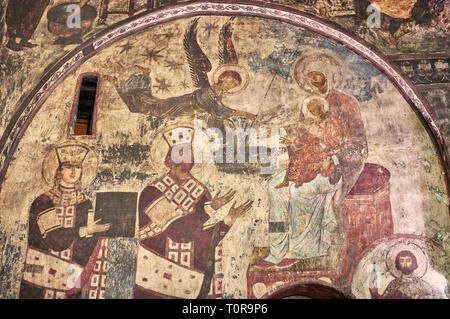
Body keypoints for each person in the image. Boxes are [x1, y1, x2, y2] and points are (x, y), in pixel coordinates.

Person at [134, 127, 253, 298]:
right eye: (181, 151)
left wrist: (225, 217)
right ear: (169, 157)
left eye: (190, 152)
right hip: (155, 270)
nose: (187, 156)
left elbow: (203, 235)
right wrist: (216, 213)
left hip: (192, 273)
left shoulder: (201, 192)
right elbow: (178, 231)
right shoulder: (152, 191)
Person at [104, 17, 255, 129]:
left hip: (178, 109)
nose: (232, 86)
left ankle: (140, 77)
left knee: (143, 103)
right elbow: (219, 110)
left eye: (235, 84)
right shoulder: (211, 93)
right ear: (223, 79)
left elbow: (218, 111)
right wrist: (246, 114)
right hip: (177, 106)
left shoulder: (216, 95)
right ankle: (123, 82)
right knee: (138, 106)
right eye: (231, 82)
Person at [19, 143, 110, 299]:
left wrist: (100, 235)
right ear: (58, 171)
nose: (74, 171)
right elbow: (54, 239)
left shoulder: (85, 202)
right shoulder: (43, 201)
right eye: (68, 166)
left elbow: (87, 241)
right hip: (42, 274)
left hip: (70, 275)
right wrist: (84, 231)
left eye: (78, 167)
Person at [276, 96, 345, 189]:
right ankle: (287, 181)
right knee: (298, 154)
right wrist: (291, 140)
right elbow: (307, 137)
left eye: (313, 109)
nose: (312, 111)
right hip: (316, 147)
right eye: (310, 110)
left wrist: (327, 146)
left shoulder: (331, 120)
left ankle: (301, 179)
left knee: (308, 158)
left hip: (329, 149)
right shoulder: (314, 123)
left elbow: (338, 137)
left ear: (320, 106)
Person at [370, 250, 435, 299]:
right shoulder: (394, 284)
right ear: (398, 264)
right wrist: (374, 291)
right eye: (402, 261)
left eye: (408, 260)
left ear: (414, 263)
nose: (405, 264)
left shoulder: (422, 285)